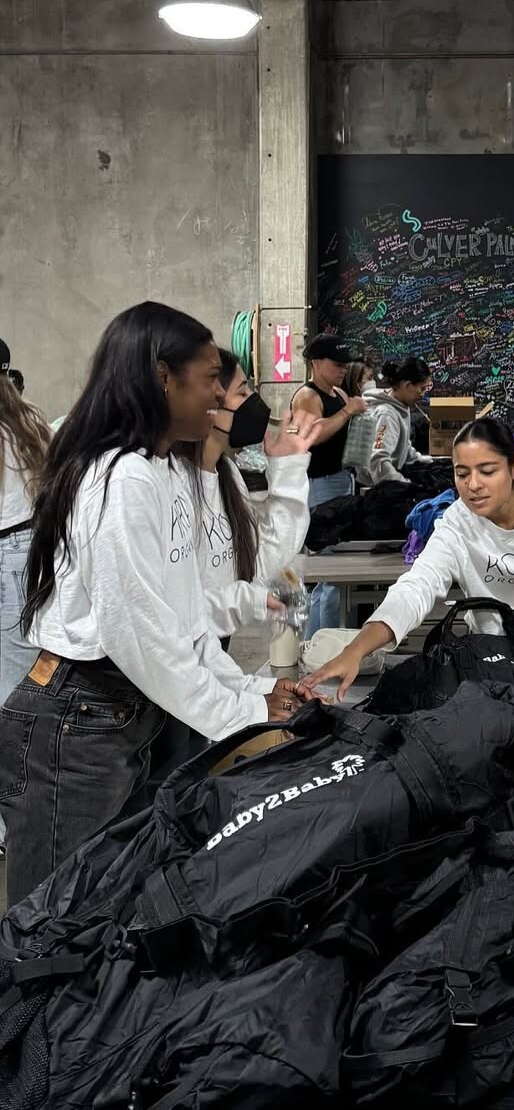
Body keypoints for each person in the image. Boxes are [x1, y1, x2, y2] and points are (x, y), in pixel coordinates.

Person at [0, 302, 303, 902]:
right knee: (54, 919)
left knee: (111, 905)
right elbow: (139, 638)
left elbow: (185, 620)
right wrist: (242, 712)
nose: (219, 396)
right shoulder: (121, 478)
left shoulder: (164, 472)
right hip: (77, 721)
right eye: (211, 378)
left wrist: (251, 693)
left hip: (119, 712)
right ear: (164, 377)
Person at [298, 416, 514, 700]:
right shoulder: (456, 527)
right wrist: (356, 650)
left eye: (487, 471)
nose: (473, 485)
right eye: (462, 473)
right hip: (505, 644)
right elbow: (416, 588)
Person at [175, 348, 314, 642]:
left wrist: (288, 472)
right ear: (209, 402)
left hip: (214, 646)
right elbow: (172, 611)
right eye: (242, 392)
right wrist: (248, 603)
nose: (253, 400)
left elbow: (257, 567)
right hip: (177, 650)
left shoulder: (227, 474)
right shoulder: (174, 484)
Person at [291, 334, 368, 636]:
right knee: (329, 573)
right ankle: (319, 644)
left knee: (334, 576)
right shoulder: (307, 396)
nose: (342, 370)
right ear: (316, 363)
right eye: (337, 364)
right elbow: (311, 434)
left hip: (342, 479)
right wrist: (348, 411)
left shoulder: (338, 393)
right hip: (320, 484)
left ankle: (319, 642)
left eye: (345, 365)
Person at [0, 373, 50, 702]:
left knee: (12, 678)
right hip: (35, 541)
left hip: (9, 551)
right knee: (27, 666)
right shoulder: (27, 416)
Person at [357, 356, 435, 485]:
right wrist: (405, 484)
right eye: (422, 389)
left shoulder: (400, 405)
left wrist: (422, 459)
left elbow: (402, 444)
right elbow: (377, 460)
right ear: (407, 385)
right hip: (376, 487)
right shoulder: (387, 414)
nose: (422, 394)